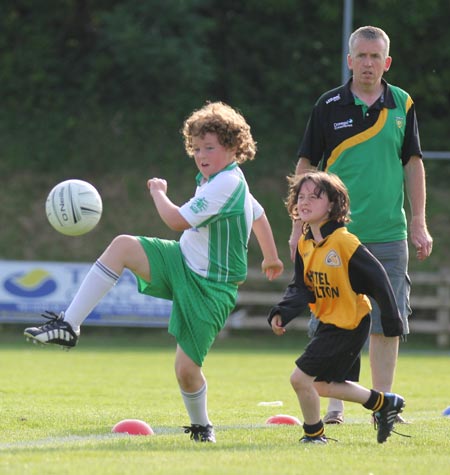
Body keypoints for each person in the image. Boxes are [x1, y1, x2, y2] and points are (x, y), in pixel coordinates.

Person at [24, 101, 284, 443]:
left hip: (212, 287)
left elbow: (176, 220)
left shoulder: (227, 184)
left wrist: (159, 194)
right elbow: (259, 214)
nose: (201, 155)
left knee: (186, 371)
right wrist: (271, 257)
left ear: (235, 148)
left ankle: (202, 426)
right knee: (123, 246)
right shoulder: (219, 179)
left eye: (210, 147)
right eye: (196, 148)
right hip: (180, 262)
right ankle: (68, 325)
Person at [290, 25, 433, 425]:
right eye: (361, 56)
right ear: (349, 60)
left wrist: (419, 222)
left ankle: (384, 406)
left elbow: (413, 164)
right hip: (333, 236)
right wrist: (297, 222)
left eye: (376, 57)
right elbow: (306, 166)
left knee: (389, 319)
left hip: (389, 233)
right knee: (332, 318)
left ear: (386, 63)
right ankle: (335, 407)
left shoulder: (402, 104)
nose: (368, 63)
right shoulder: (328, 105)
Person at [270, 171, 405, 444]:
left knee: (300, 379)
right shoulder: (305, 243)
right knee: (320, 385)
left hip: (350, 323)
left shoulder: (344, 243)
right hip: (329, 322)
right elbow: (301, 286)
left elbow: (378, 279)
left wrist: (392, 320)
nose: (304, 202)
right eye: (301, 197)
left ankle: (314, 434)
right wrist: (282, 312)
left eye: (314, 197)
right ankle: (384, 403)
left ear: (332, 204)